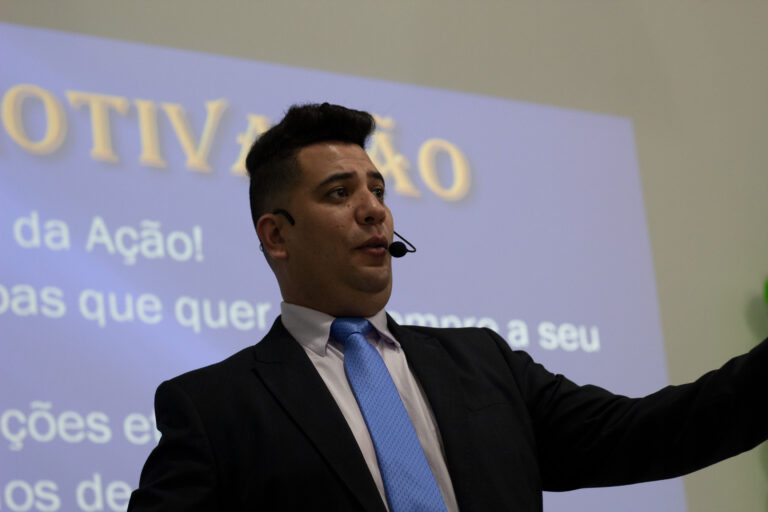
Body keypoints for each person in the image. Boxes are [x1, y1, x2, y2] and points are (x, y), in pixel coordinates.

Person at [127, 103, 767, 512]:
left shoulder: (483, 363)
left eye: (378, 189)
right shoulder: (215, 408)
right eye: (339, 193)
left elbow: (648, 433)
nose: (374, 209)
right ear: (276, 236)